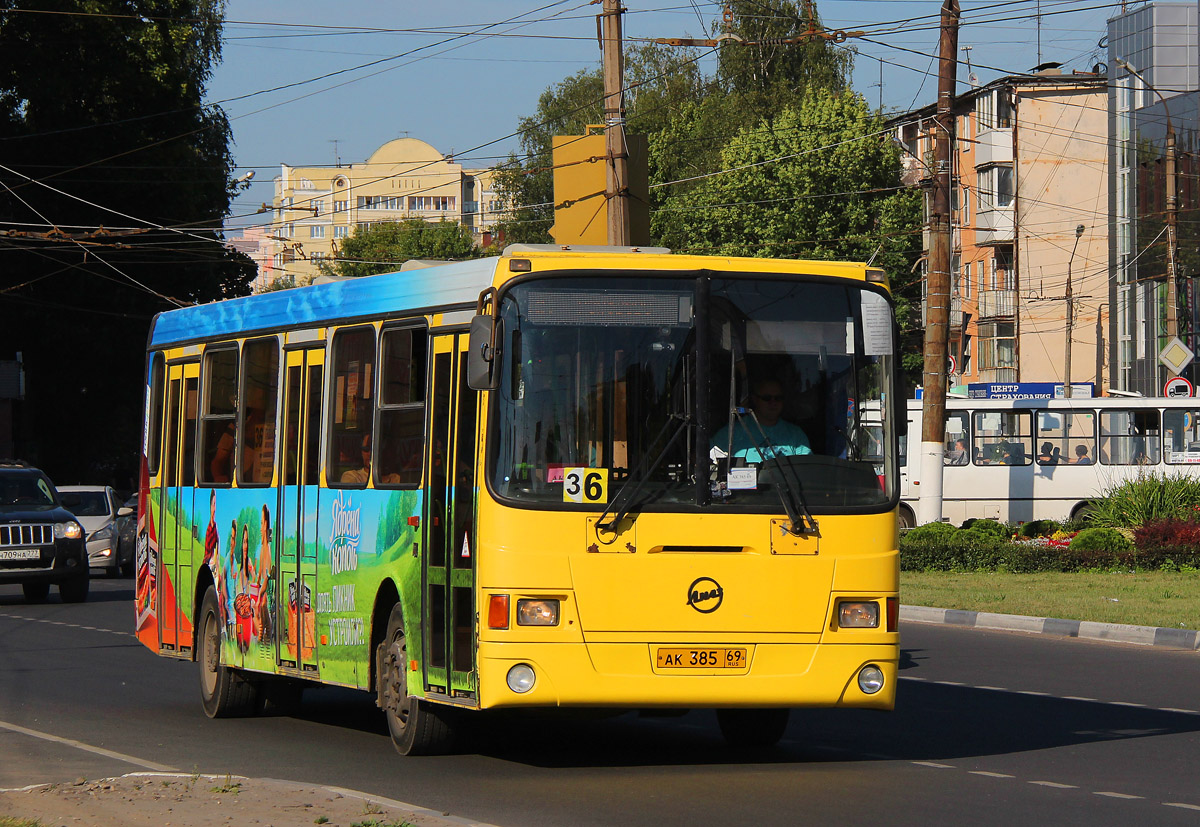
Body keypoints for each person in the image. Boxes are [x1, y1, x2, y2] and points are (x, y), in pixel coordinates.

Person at [711, 378, 812, 463]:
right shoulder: (730, 433)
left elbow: (806, 470)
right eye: (767, 398)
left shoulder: (796, 435)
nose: (773, 403)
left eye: (778, 398)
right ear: (755, 399)